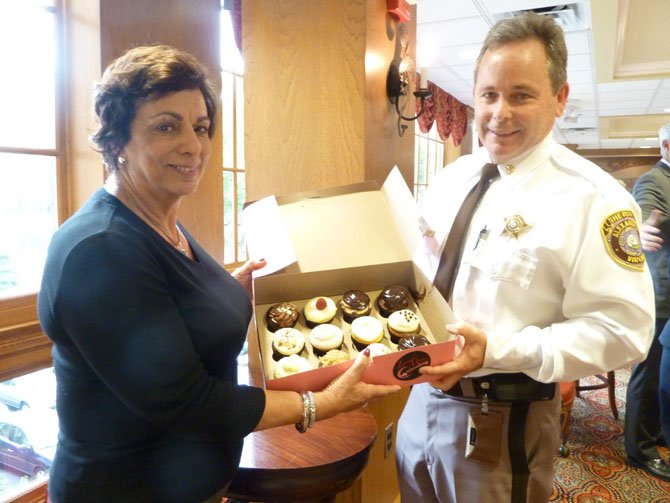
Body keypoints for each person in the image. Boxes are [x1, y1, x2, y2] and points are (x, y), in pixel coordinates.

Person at [37, 45, 399, 503]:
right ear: (115, 140)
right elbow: (186, 401)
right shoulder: (101, 248)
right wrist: (318, 404)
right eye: (166, 126)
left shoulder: (162, 222)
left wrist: (231, 289)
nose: (193, 144)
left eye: (201, 126)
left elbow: (166, 316)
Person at [396, 13, 655, 503]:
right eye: (489, 94)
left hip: (501, 422)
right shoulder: (455, 178)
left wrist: (498, 350)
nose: (500, 113)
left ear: (560, 98)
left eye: (521, 95)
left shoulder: (595, 198)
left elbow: (626, 330)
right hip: (419, 401)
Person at [624, 122, 670, 481]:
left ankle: (654, 430)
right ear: (667, 146)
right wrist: (642, 230)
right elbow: (644, 218)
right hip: (659, 295)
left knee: (663, 376)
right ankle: (639, 449)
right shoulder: (654, 180)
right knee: (648, 372)